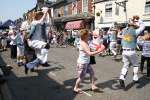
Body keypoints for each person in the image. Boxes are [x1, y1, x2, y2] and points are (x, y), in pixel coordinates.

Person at [73, 29, 105, 93]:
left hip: (86, 62)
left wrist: (99, 45)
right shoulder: (83, 43)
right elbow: (89, 53)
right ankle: (75, 88)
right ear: (85, 36)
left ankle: (93, 86)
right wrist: (99, 50)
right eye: (88, 35)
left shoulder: (85, 41)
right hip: (82, 63)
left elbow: (93, 44)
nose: (89, 36)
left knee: (92, 73)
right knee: (81, 77)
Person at [24, 7, 50, 74]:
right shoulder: (34, 22)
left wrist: (49, 14)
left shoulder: (42, 23)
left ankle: (28, 65)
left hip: (39, 41)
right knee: (47, 46)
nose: (42, 16)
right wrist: (45, 12)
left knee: (39, 56)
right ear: (37, 16)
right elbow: (41, 21)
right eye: (40, 15)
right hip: (33, 42)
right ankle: (43, 62)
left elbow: (50, 23)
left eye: (42, 15)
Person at [117, 20, 140, 88]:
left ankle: (122, 77)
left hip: (124, 51)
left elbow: (118, 35)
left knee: (125, 65)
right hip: (131, 51)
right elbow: (142, 27)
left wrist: (119, 30)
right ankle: (135, 78)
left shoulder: (124, 32)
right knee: (135, 65)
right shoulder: (134, 32)